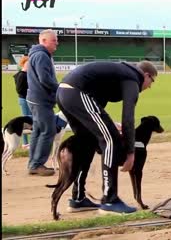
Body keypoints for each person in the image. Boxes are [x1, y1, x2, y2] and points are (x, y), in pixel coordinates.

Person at [56, 60, 157, 214]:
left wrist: (109, 123)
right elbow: (128, 118)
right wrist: (130, 152)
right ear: (146, 75)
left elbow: (98, 105)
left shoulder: (120, 73)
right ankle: (110, 200)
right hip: (76, 92)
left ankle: (78, 198)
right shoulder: (133, 79)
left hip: (64, 92)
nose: (149, 86)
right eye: (152, 81)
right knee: (111, 140)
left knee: (88, 141)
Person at [26, 29, 59, 176]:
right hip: (41, 99)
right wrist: (60, 89)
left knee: (38, 131)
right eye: (54, 40)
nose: (57, 42)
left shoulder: (36, 54)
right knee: (48, 130)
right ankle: (37, 164)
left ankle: (33, 163)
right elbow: (44, 79)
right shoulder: (42, 56)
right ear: (44, 41)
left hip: (35, 98)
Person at [13, 55, 32, 149]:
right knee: (25, 121)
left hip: (28, 99)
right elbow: (19, 90)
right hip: (24, 100)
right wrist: (29, 91)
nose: (29, 64)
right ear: (23, 63)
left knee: (31, 120)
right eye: (27, 63)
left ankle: (31, 142)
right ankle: (25, 143)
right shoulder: (21, 75)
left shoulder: (28, 74)